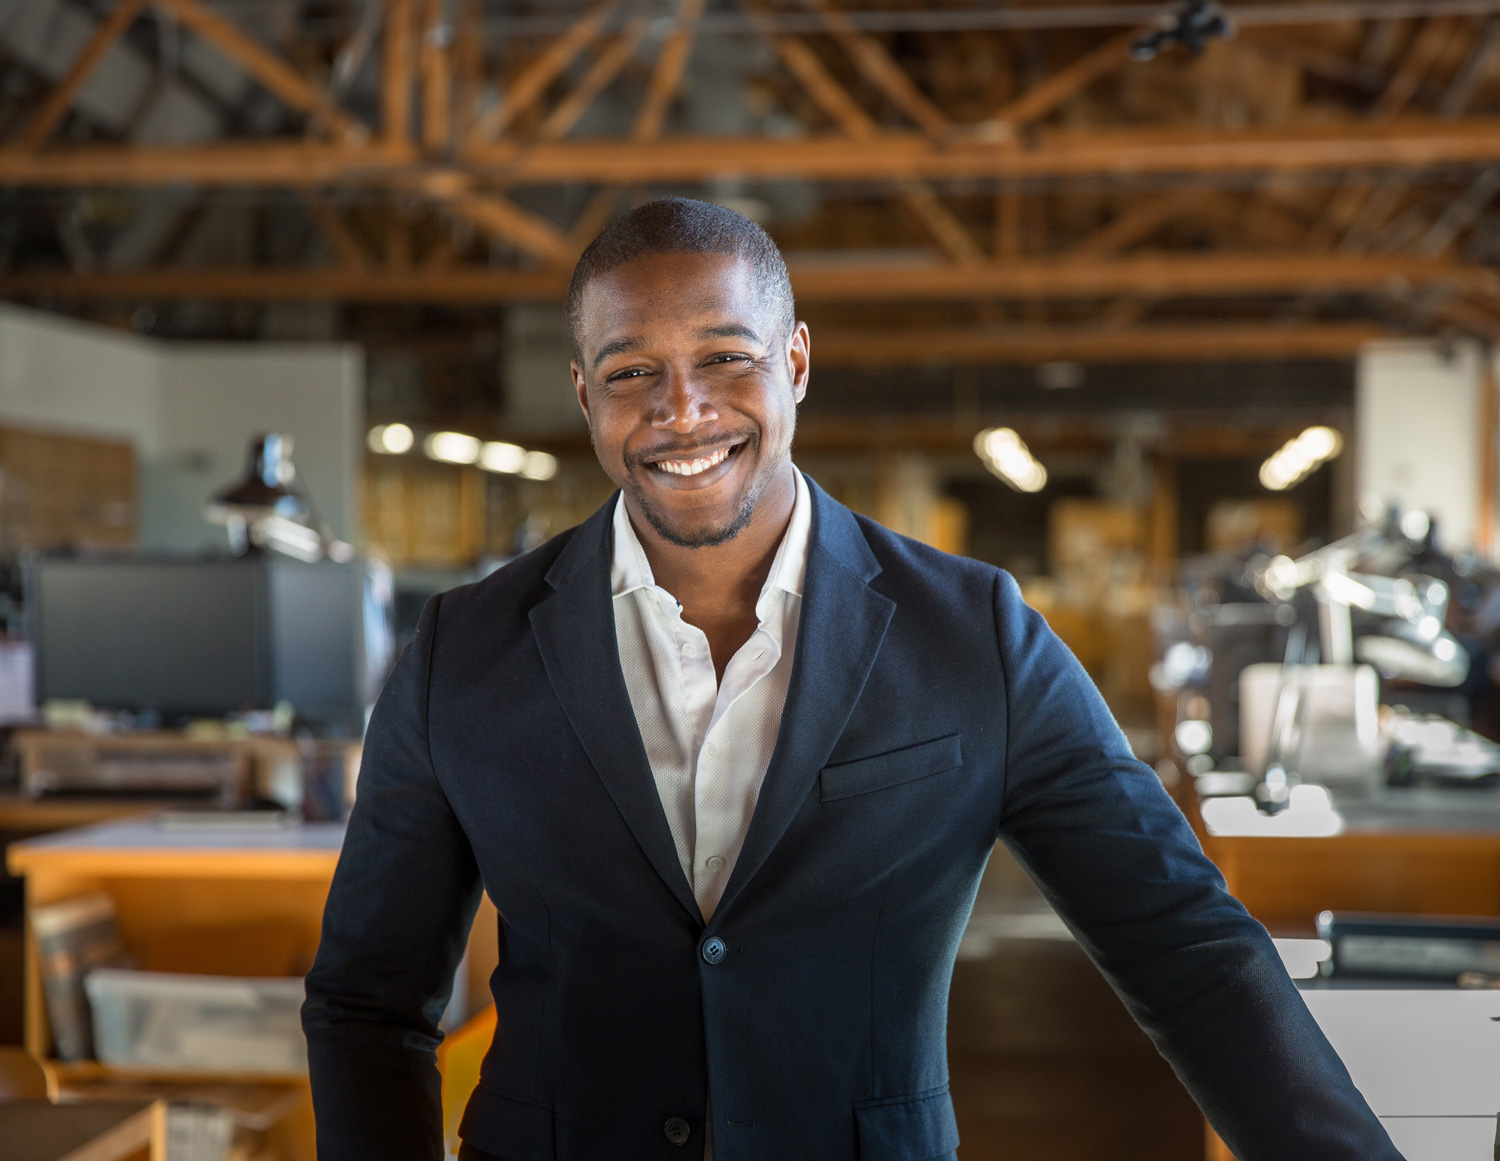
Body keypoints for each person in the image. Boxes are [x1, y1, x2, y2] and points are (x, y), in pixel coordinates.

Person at [303, 197, 1400, 1161]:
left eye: (726, 356)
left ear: (796, 364)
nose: (681, 408)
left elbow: (1186, 948)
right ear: (587, 393)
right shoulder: (464, 653)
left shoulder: (975, 636)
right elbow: (368, 1001)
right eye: (633, 370)